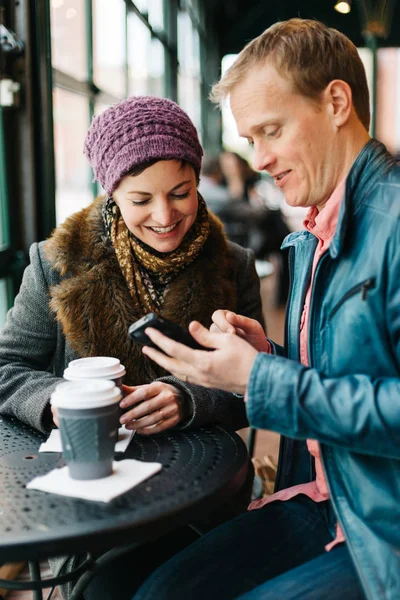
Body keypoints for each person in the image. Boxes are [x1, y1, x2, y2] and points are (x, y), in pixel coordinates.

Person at [131, 19, 400, 600]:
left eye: (269, 131)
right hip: (331, 503)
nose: (258, 159)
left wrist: (261, 379)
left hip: (382, 532)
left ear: (335, 101)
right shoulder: (312, 235)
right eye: (250, 139)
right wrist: (267, 356)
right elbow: (352, 380)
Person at [0, 95, 264, 598]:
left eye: (181, 193)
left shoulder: (234, 265)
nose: (165, 215)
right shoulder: (56, 263)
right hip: (88, 505)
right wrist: (62, 401)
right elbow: (6, 367)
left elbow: (259, 387)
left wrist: (188, 399)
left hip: (200, 497)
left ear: (198, 180)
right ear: (112, 193)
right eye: (141, 200)